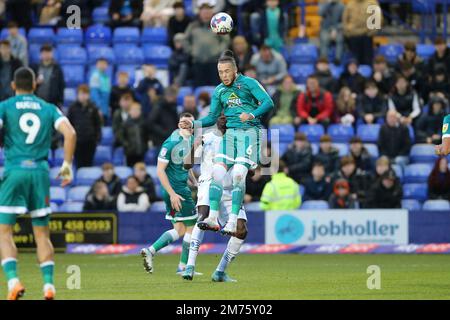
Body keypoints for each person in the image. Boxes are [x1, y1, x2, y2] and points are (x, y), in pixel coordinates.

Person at [0, 67, 76, 300]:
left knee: (4, 233)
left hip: (14, 171)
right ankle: (48, 287)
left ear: (14, 86)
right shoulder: (48, 108)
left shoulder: (5, 106)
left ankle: (13, 282)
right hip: (40, 173)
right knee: (42, 235)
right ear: (35, 86)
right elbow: (70, 133)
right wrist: (66, 166)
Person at [179, 50, 274, 235]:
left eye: (227, 71)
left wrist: (252, 114)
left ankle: (231, 222)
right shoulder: (219, 90)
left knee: (238, 173)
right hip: (230, 135)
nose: (224, 75)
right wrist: (193, 123)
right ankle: (213, 218)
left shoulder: (249, 83)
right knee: (217, 172)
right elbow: (212, 117)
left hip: (249, 133)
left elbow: (268, 102)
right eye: (220, 72)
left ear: (235, 70)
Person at [182, 115, 248, 282]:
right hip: (208, 183)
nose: (224, 119)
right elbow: (187, 165)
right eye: (221, 116)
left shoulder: (240, 140)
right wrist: (194, 146)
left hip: (230, 189)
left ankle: (220, 271)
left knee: (241, 230)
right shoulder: (207, 138)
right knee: (203, 216)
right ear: (216, 120)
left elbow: (250, 169)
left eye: (227, 116)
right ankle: (189, 266)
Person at [141, 113, 198, 275]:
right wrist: (173, 193)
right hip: (177, 191)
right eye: (185, 123)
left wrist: (193, 180)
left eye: (191, 123)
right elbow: (160, 170)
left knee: (179, 229)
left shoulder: (187, 141)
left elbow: (185, 166)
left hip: (175, 189)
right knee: (192, 228)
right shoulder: (171, 142)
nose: (188, 126)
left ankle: (150, 251)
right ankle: (183, 267)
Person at [184, 1, 230, 87]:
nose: (206, 14)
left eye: (208, 11)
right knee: (199, 89)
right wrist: (191, 51)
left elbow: (226, 39)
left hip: (214, 63)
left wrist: (219, 51)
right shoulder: (193, 26)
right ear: (200, 13)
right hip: (198, 63)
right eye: (204, 12)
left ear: (212, 13)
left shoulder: (218, 25)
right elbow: (185, 40)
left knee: (215, 89)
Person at [67, 85, 102, 169]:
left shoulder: (93, 107)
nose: (83, 96)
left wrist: (97, 138)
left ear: (88, 95)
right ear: (77, 95)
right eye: (81, 94)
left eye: (85, 94)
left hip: (90, 141)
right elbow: (68, 125)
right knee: (79, 164)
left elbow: (98, 125)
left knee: (89, 164)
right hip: (77, 141)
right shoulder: (72, 108)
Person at [342, 0, 381, 65]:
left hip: (367, 36)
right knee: (354, 60)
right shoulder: (350, 4)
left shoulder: (372, 3)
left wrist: (371, 32)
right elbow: (345, 20)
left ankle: (367, 73)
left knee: (367, 60)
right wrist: (348, 32)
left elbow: (377, 20)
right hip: (353, 36)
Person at [319, 0, 345, 65]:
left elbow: (344, 21)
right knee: (324, 40)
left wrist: (335, 29)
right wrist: (327, 4)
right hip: (325, 28)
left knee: (340, 39)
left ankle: (337, 60)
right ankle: (324, 60)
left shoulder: (341, 6)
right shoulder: (323, 4)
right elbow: (320, 13)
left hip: (337, 29)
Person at [122, 102, 148, 167]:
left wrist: (145, 145)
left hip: (141, 151)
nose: (135, 112)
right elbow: (122, 136)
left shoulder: (144, 123)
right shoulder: (126, 124)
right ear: (129, 112)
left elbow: (147, 135)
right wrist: (127, 145)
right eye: (133, 110)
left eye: (137, 110)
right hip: (130, 153)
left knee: (140, 167)